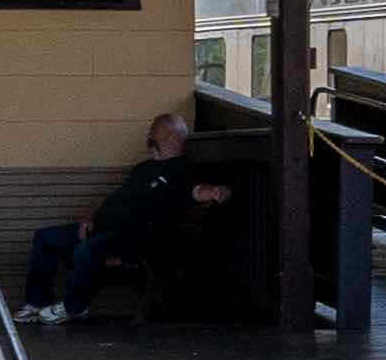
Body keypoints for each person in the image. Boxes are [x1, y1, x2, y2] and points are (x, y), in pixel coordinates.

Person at [25, 110, 232, 325]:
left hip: (135, 238)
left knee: (85, 250)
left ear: (173, 138)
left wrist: (216, 191)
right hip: (102, 227)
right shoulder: (142, 169)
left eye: (157, 131)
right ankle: (37, 303)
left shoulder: (181, 170)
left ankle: (75, 306)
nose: (150, 136)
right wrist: (89, 218)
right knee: (45, 237)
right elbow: (116, 201)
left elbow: (197, 191)